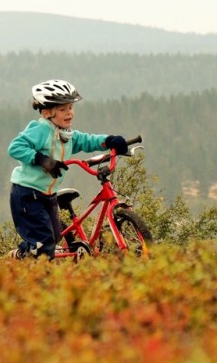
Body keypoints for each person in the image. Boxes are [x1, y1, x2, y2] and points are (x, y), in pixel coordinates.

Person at [7, 79, 128, 260]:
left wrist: (109, 140)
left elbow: (87, 140)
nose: (69, 113)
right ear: (47, 112)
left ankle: (21, 254)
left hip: (48, 195)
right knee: (44, 242)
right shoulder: (40, 130)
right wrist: (42, 160)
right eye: (63, 109)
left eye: (70, 107)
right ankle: (37, 281)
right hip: (27, 194)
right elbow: (15, 147)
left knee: (54, 237)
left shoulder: (66, 133)